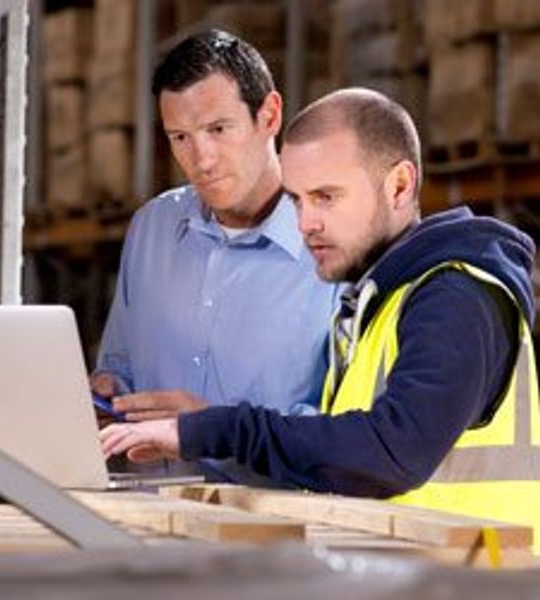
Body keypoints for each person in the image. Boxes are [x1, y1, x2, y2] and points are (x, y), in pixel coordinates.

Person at [100, 87, 540, 549]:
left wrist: (211, 429)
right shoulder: (377, 303)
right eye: (296, 200)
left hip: (479, 581)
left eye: (326, 197)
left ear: (400, 186)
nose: (305, 222)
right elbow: (338, 454)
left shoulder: (456, 296)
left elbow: (391, 451)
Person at [92, 30, 336, 478]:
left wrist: (216, 427)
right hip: (143, 526)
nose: (201, 158)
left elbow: (347, 437)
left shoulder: (332, 248)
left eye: (218, 130)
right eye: (180, 137)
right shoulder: (151, 229)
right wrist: (109, 396)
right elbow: (120, 365)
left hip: (272, 535)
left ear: (270, 115)